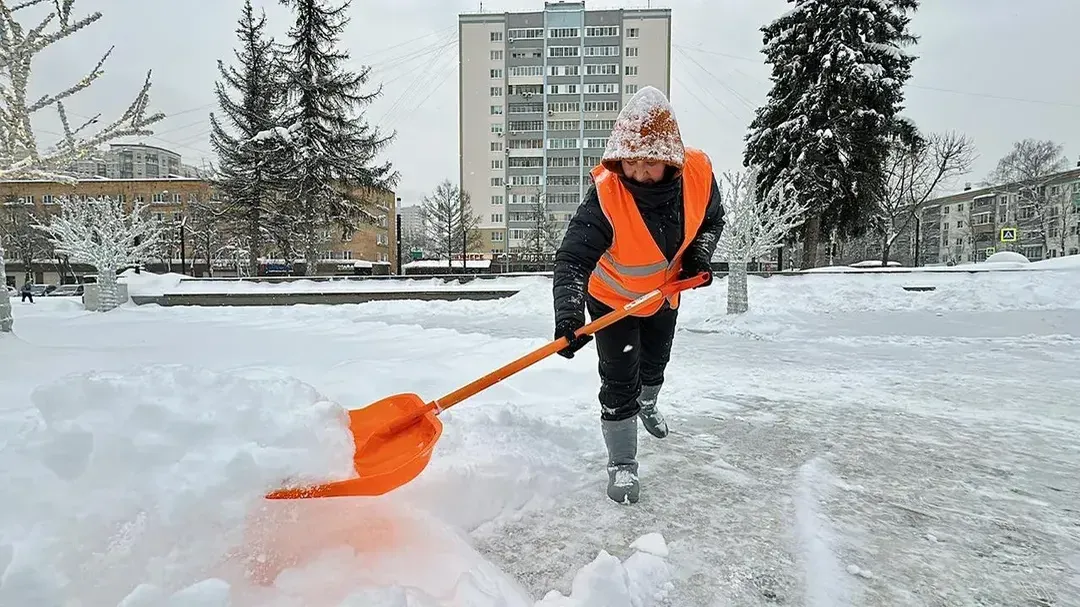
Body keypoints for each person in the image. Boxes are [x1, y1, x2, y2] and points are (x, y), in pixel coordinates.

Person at [551, 86, 725, 504]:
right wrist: (570, 316)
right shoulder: (605, 198)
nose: (639, 174)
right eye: (631, 162)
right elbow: (572, 260)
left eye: (650, 164)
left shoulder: (699, 175)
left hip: (664, 294)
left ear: (670, 161)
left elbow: (712, 221)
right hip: (612, 301)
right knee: (619, 377)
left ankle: (649, 402)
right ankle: (623, 463)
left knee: (655, 363)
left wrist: (698, 257)